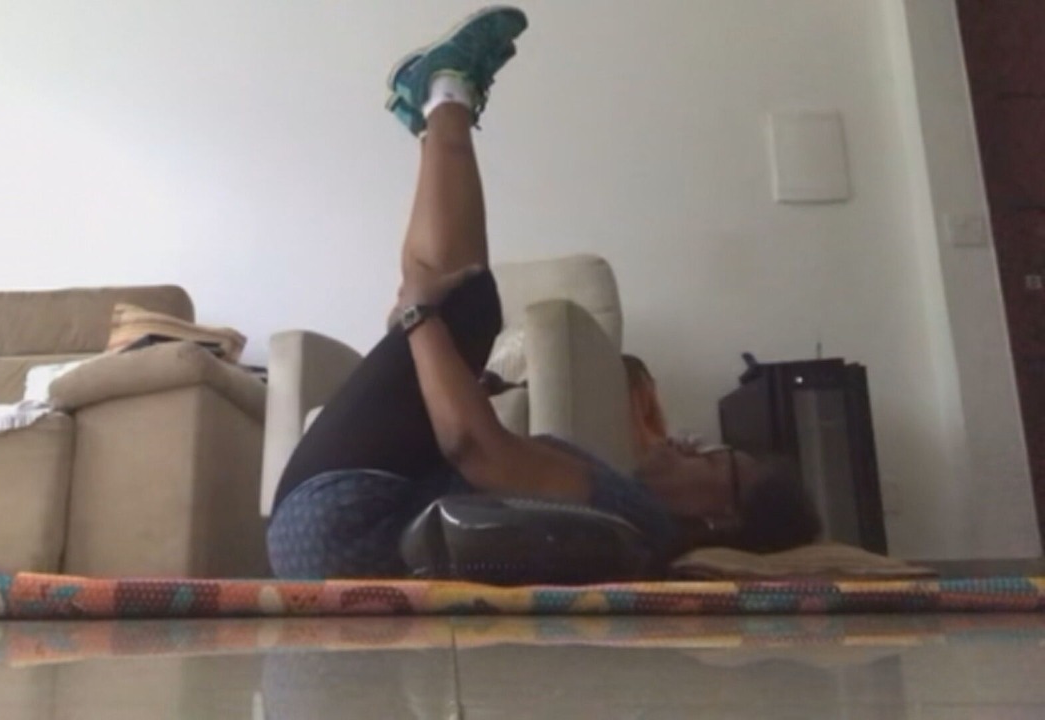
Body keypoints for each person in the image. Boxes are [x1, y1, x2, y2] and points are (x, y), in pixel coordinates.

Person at [266, 6, 820, 580]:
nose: (689, 443)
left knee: (465, 305)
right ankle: (437, 106)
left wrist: (420, 315)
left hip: (346, 525)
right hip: (334, 525)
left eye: (713, 459)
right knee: (459, 314)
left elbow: (478, 451)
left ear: (722, 519)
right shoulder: (633, 517)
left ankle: (445, 93)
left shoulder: (636, 515)